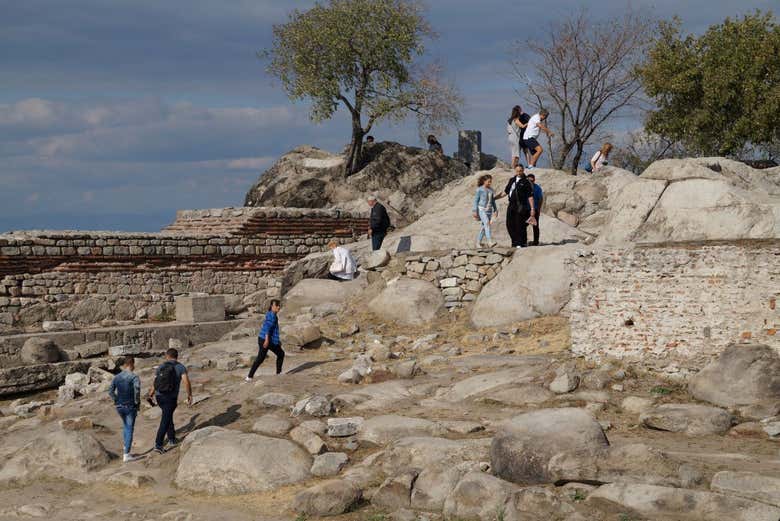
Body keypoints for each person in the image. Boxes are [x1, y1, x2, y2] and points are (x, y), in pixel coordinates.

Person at [148, 348, 192, 454]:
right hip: (170, 398)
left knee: (168, 416)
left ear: (167, 356)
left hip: (159, 397)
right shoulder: (180, 367)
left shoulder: (161, 367)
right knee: (165, 419)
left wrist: (151, 394)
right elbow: (186, 382)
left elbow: (155, 382)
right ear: (177, 356)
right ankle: (158, 444)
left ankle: (172, 438)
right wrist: (189, 395)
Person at [108, 356, 141, 463]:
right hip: (130, 406)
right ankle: (126, 454)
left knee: (126, 426)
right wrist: (137, 403)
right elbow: (137, 390)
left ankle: (125, 446)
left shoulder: (117, 377)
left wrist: (116, 400)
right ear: (131, 364)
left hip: (119, 406)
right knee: (130, 428)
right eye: (134, 364)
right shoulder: (134, 377)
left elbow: (110, 391)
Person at [245, 299, 284, 381]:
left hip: (265, 339)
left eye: (279, 305)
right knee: (279, 354)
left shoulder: (271, 314)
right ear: (272, 306)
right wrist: (266, 340)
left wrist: (277, 341)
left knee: (262, 358)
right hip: (266, 340)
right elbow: (267, 327)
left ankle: (249, 376)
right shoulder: (272, 316)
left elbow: (273, 329)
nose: (278, 307)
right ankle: (249, 377)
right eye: (277, 305)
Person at [498, 166, 536, 248]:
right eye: (517, 171)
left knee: (520, 224)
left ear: (523, 170)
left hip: (521, 206)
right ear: (515, 171)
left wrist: (532, 209)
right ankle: (514, 242)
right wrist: (495, 198)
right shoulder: (512, 180)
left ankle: (521, 243)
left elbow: (530, 196)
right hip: (511, 205)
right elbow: (506, 192)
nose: (519, 172)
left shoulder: (526, 182)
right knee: (509, 224)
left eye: (520, 171)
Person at [472, 174, 499, 248]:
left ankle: (478, 243)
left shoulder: (491, 190)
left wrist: (495, 210)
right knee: (487, 223)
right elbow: (476, 201)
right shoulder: (479, 189)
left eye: (490, 182)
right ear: (484, 181)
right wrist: (474, 211)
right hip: (481, 209)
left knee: (484, 227)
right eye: (488, 181)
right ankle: (489, 242)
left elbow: (493, 201)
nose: (490, 183)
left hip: (489, 210)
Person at [528, 173, 544, 246]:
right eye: (529, 181)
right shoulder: (524, 187)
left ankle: (536, 242)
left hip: (535, 209)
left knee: (535, 226)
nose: (531, 182)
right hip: (525, 209)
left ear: (534, 180)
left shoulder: (537, 188)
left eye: (532, 181)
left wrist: (539, 209)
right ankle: (522, 241)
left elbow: (540, 199)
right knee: (522, 225)